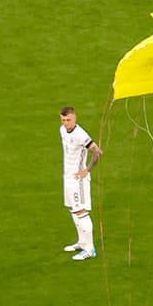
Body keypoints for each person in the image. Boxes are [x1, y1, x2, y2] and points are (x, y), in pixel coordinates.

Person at [59, 106, 102, 260]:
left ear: (75, 118)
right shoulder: (62, 130)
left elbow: (98, 151)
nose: (66, 123)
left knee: (81, 211)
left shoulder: (80, 135)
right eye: (63, 120)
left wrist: (87, 170)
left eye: (68, 120)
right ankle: (82, 242)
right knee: (72, 208)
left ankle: (90, 249)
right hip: (68, 177)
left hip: (78, 180)